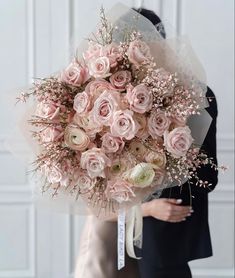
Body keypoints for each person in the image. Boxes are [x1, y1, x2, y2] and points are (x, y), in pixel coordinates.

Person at [75, 8, 218, 278]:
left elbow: (207, 175)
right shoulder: (102, 94)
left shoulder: (196, 95)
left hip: (162, 237)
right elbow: (93, 184)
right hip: (115, 234)